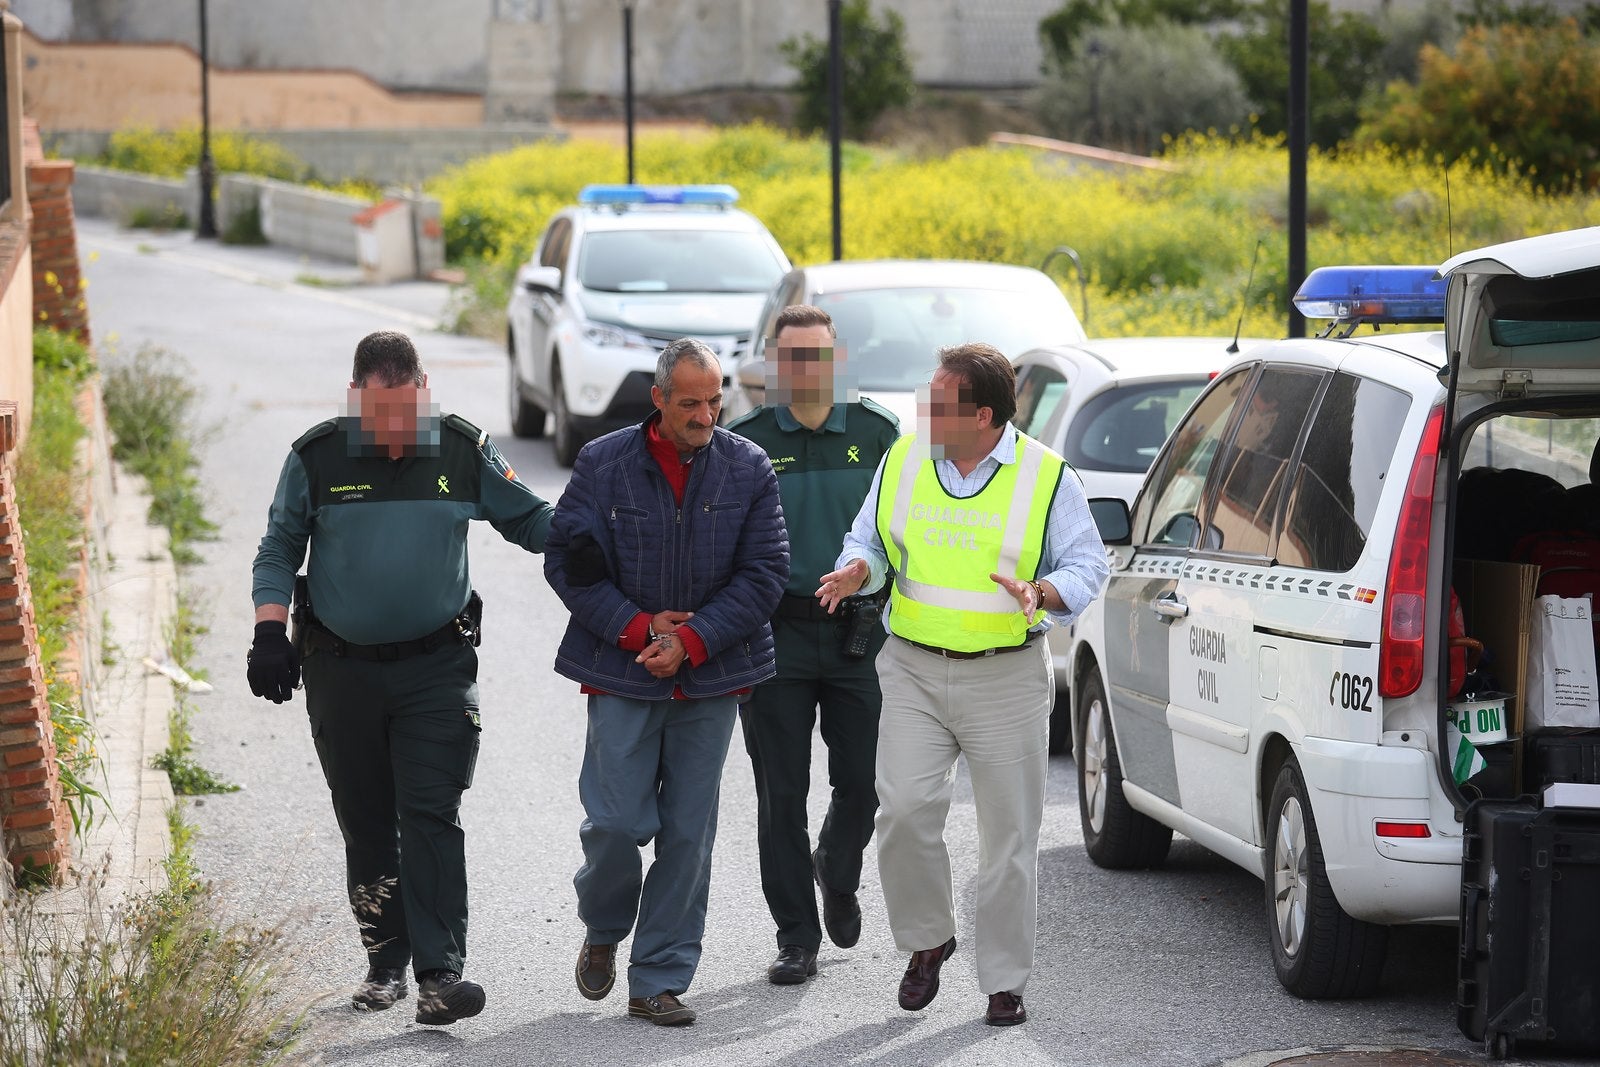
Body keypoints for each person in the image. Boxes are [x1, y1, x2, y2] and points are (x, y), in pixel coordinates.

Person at [248, 329, 553, 1026]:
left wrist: (593, 536)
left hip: (436, 668)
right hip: (341, 670)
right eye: (379, 415)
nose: (393, 432)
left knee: (431, 816)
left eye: (405, 413)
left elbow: (530, 519)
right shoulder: (316, 456)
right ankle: (384, 964)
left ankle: (441, 974)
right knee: (366, 823)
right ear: (356, 400)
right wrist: (269, 629)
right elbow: (278, 547)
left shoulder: (459, 447)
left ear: (423, 392)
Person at [817, 342, 1110, 1027]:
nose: (924, 411)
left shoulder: (1045, 476)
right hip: (913, 668)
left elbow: (1088, 565)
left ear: (982, 415)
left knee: (1009, 835)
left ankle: (1004, 980)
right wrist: (857, 568)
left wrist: (1043, 589)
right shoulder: (905, 458)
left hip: (1006, 676)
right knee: (904, 810)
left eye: (939, 401)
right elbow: (869, 537)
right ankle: (929, 939)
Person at [544, 337, 788, 1027]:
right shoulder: (602, 463)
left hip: (711, 678)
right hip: (621, 670)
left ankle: (658, 977)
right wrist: (638, 629)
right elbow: (569, 563)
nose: (707, 416)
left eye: (715, 401)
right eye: (690, 403)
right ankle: (604, 922)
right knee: (615, 824)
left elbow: (766, 572)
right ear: (658, 399)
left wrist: (691, 639)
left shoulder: (749, 468)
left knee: (688, 834)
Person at [726, 305, 899, 985]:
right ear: (773, 363)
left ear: (835, 360)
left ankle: (839, 862)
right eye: (791, 357)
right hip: (773, 637)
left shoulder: (879, 434)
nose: (804, 370)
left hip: (859, 634)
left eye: (816, 356)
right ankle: (796, 935)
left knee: (863, 781)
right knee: (780, 795)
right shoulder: (742, 441)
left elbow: (901, 535)